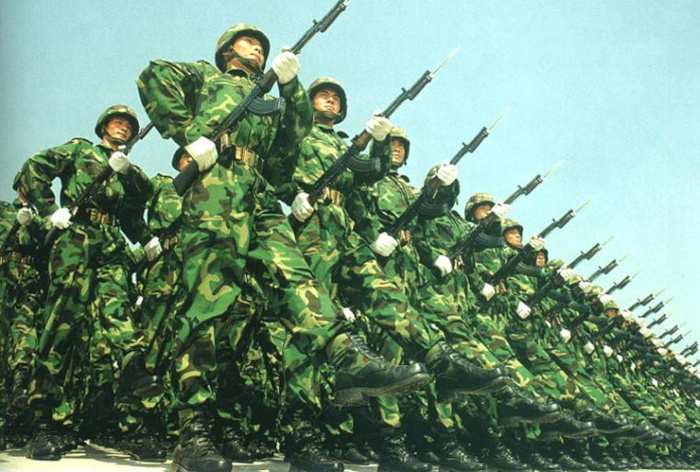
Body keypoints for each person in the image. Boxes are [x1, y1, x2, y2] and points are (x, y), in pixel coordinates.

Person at [137, 24, 431, 472]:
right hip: (216, 188)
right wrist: (187, 133)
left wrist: (291, 87)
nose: (257, 48)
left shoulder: (269, 100)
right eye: (248, 42)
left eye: (262, 45)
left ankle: (347, 356)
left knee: (296, 277)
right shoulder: (206, 77)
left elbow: (291, 142)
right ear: (226, 51)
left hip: (257, 194)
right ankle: (192, 433)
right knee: (208, 309)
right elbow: (153, 75)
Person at [15, 105, 163, 460]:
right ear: (104, 127)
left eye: (129, 126)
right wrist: (49, 209)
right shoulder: (81, 150)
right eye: (118, 122)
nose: (124, 128)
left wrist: (144, 237)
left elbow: (134, 208)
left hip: (109, 243)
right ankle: (43, 421)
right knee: (61, 326)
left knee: (118, 309)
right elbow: (34, 167)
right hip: (75, 240)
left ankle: (134, 370)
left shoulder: (126, 169)